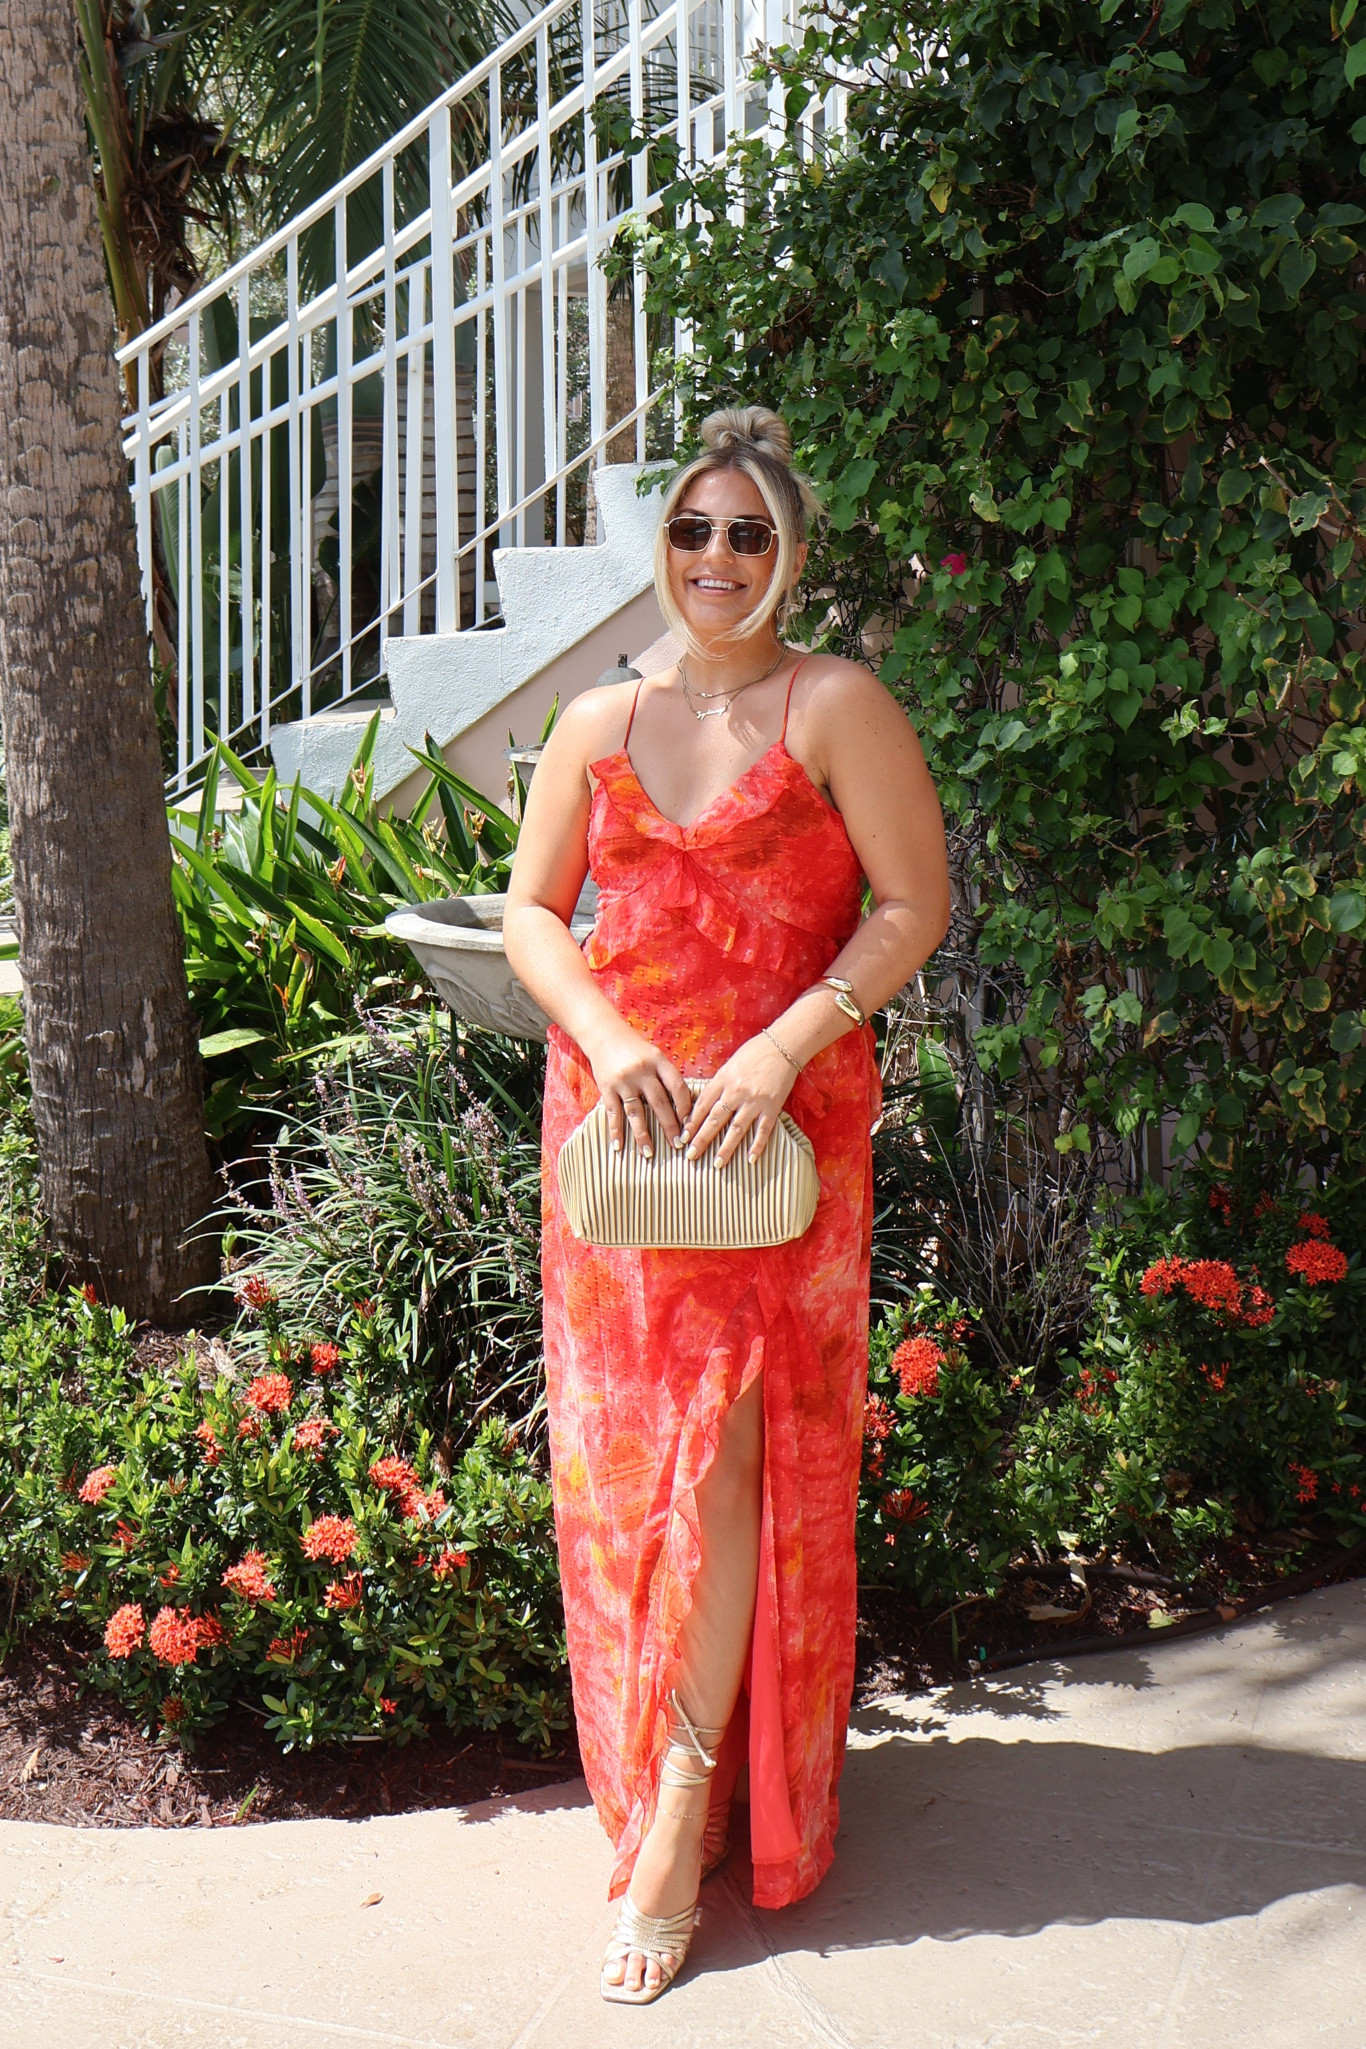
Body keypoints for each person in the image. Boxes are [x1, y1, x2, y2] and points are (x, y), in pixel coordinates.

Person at [503, 405, 950, 2004]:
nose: (715, 557)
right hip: (621, 1146)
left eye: (747, 533)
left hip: (777, 1139)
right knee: (631, 1475)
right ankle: (671, 1768)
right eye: (691, 529)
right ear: (660, 546)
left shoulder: (835, 704)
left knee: (730, 1459)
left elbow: (913, 903)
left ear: (792, 555)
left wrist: (777, 1047)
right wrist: (609, 1035)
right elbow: (533, 914)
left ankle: (688, 1807)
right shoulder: (596, 718)